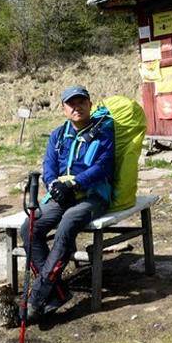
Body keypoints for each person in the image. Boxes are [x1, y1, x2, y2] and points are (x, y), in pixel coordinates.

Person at [20, 85, 114, 320]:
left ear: (90, 104)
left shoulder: (104, 130)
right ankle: (57, 292)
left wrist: (75, 184)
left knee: (66, 225)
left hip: (93, 196)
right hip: (61, 195)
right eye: (71, 104)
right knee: (29, 228)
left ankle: (38, 296)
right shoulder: (58, 135)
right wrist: (54, 186)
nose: (77, 107)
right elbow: (48, 168)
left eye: (81, 101)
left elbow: (103, 166)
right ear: (63, 109)